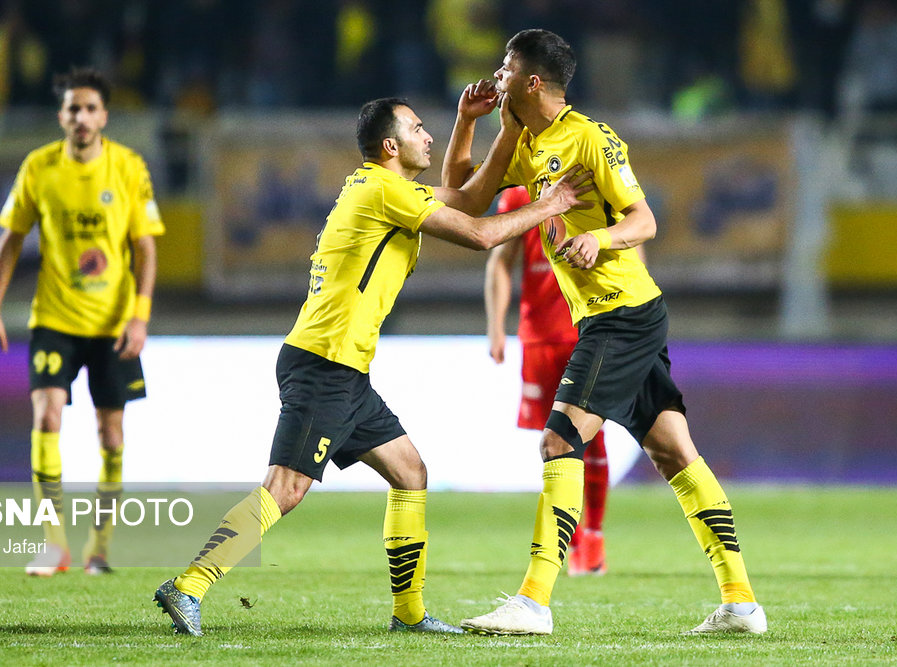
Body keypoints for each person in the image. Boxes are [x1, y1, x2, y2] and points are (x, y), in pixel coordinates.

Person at [152, 92, 595, 637]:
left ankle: (409, 616)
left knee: (410, 473)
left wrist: (478, 124)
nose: (426, 136)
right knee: (285, 488)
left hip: (343, 368)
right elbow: (480, 234)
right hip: (324, 363)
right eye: (416, 128)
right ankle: (188, 586)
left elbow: (471, 198)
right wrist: (549, 205)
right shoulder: (385, 190)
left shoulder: (383, 187)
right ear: (391, 146)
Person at [454, 29, 766, 635]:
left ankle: (534, 601)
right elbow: (467, 198)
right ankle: (741, 602)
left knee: (559, 440)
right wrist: (468, 123)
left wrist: (601, 237)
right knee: (674, 451)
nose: (497, 75)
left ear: (532, 80)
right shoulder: (523, 139)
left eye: (506, 67)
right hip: (617, 315)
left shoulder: (591, 139)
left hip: (621, 314)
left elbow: (644, 219)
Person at [0, 67, 164, 576]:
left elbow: (145, 247)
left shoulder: (128, 168)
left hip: (112, 325)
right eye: (71, 109)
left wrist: (139, 317)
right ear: (61, 116)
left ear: (103, 115)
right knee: (46, 418)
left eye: (89, 108)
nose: (80, 117)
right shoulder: (38, 167)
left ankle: (98, 549)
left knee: (111, 437)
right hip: (55, 318)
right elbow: (11, 239)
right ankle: (54, 545)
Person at [485, 186, 610, 576]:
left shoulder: (594, 182)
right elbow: (500, 262)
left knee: (593, 436)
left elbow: (632, 247)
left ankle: (592, 537)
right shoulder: (518, 197)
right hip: (539, 336)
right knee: (555, 441)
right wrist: (495, 327)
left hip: (589, 330)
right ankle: (571, 542)